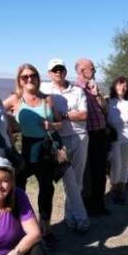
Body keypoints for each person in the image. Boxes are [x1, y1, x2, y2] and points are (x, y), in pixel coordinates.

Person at [3, 64, 61, 249]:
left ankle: (46, 229)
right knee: (18, 190)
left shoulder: (48, 99)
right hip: (26, 150)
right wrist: (11, 124)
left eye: (33, 75)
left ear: (38, 77)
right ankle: (19, 229)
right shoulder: (15, 99)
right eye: (25, 77)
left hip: (45, 150)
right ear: (19, 80)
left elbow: (59, 123)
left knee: (46, 189)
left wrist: (52, 126)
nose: (29, 79)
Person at [40, 58, 89, 232]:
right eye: (55, 70)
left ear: (65, 71)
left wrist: (62, 115)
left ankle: (70, 217)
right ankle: (81, 217)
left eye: (61, 69)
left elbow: (84, 115)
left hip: (80, 137)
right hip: (59, 140)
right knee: (69, 179)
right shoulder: (44, 89)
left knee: (77, 180)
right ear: (49, 73)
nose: (58, 72)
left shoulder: (77, 90)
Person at [74, 58, 109, 217]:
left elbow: (105, 110)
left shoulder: (93, 87)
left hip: (101, 133)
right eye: (92, 69)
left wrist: (97, 94)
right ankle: (87, 205)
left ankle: (99, 204)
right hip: (87, 135)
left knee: (100, 170)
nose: (94, 71)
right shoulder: (75, 90)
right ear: (82, 71)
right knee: (88, 172)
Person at [106, 76, 128, 203]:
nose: (122, 87)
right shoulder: (108, 102)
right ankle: (114, 189)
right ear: (114, 86)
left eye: (125, 85)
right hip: (114, 139)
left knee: (125, 165)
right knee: (116, 165)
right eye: (120, 84)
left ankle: (121, 191)